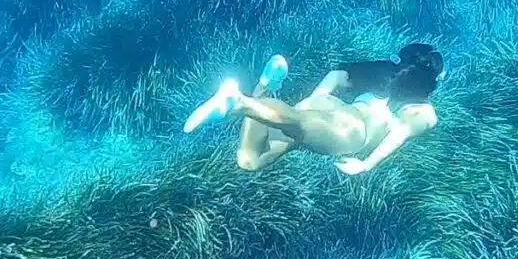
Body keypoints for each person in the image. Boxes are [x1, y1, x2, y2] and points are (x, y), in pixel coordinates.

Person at [183, 43, 445, 174]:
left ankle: (264, 85)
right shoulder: (423, 113)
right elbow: (396, 137)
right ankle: (238, 102)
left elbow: (337, 75)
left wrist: (316, 97)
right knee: (297, 123)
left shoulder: (383, 74)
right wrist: (365, 165)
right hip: (351, 132)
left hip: (332, 107)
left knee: (250, 160)